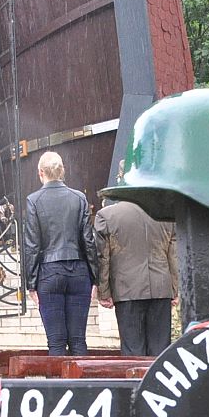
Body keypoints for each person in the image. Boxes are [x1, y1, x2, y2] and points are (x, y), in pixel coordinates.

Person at [22, 151, 99, 356]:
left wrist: (31, 282)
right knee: (78, 341)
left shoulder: (34, 201)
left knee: (56, 343)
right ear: (62, 171)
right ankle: (82, 388)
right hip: (79, 271)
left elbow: (32, 245)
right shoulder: (79, 198)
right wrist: (95, 278)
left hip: (49, 273)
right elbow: (88, 241)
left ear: (40, 173)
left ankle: (56, 388)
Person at [94, 186, 176, 357]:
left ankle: (136, 385)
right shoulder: (166, 215)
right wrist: (175, 289)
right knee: (161, 353)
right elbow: (173, 255)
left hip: (126, 289)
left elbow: (103, 257)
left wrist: (104, 291)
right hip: (161, 287)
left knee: (132, 352)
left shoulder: (107, 216)